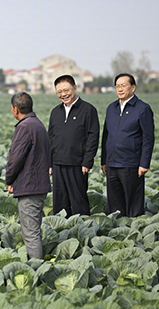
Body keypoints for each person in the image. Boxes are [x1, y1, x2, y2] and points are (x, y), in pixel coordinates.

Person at [101, 73, 155, 217]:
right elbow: (106, 135)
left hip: (131, 164)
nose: (120, 89)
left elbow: (148, 138)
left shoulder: (142, 109)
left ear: (133, 87)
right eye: (117, 86)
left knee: (133, 204)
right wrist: (104, 161)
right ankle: (117, 230)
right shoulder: (111, 108)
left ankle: (135, 229)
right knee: (114, 204)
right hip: (112, 164)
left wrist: (144, 164)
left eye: (123, 85)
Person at [6, 92, 51, 259]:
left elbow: (15, 158)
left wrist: (9, 180)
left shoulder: (24, 127)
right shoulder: (38, 124)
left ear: (15, 109)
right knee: (35, 230)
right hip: (39, 186)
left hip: (29, 187)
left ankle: (36, 271)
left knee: (30, 234)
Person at [48, 75, 99, 217]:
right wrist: (49, 163)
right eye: (59, 92)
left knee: (78, 201)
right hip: (58, 164)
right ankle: (62, 233)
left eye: (66, 90)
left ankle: (82, 231)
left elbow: (92, 138)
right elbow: (50, 138)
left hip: (77, 164)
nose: (63, 94)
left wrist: (87, 161)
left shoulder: (88, 110)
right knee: (59, 201)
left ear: (75, 88)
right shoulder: (55, 112)